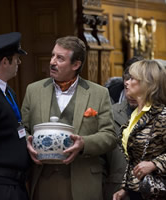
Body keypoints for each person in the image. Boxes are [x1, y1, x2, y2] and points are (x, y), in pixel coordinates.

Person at [21, 36, 117, 200]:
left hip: (83, 182)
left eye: (60, 58)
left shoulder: (99, 93)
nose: (52, 62)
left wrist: (83, 144)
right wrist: (27, 143)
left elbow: (109, 136)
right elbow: (22, 128)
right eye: (52, 55)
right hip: (44, 182)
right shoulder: (33, 90)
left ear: (76, 64)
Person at [0, 32, 31, 200]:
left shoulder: (5, 91)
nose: (19, 62)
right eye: (16, 58)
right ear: (5, 62)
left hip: (14, 184)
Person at [113, 59, 166, 200]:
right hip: (138, 191)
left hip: (159, 192)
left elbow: (147, 162)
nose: (126, 82)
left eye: (132, 79)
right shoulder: (136, 114)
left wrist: (155, 164)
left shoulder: (162, 115)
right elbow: (134, 159)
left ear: (147, 83)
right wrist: (126, 188)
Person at [103, 56, 143, 200]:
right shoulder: (110, 113)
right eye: (126, 88)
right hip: (116, 190)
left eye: (137, 87)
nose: (130, 94)